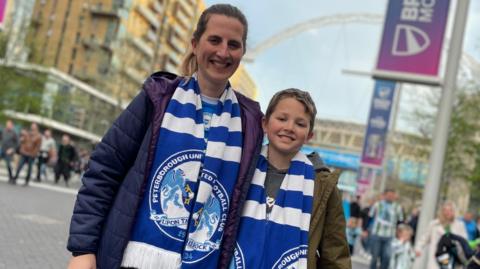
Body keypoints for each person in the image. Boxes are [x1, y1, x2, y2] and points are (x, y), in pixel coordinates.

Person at [67, 4, 263, 269]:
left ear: (242, 52)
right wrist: (83, 249)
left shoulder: (250, 122)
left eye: (233, 44)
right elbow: (104, 169)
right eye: (214, 40)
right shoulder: (157, 98)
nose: (223, 52)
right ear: (195, 43)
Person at [231, 89, 351, 269]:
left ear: (309, 135)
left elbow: (335, 256)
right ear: (265, 123)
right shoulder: (240, 167)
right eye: (282, 119)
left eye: (300, 124)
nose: (289, 127)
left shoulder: (323, 185)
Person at [415, 201, 468, 269]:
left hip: (454, 258)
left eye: (450, 210)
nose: (447, 212)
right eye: (445, 210)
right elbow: (424, 238)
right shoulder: (434, 224)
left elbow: (464, 241)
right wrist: (418, 248)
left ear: (454, 212)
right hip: (436, 259)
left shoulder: (460, 225)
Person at [366, 189, 404, 269]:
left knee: (386, 257)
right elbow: (369, 217)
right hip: (377, 234)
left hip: (390, 236)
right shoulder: (377, 204)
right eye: (389, 195)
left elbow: (400, 222)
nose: (390, 197)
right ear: (385, 195)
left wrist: (400, 234)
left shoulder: (398, 207)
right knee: (375, 257)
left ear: (394, 197)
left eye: (392, 196)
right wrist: (365, 230)